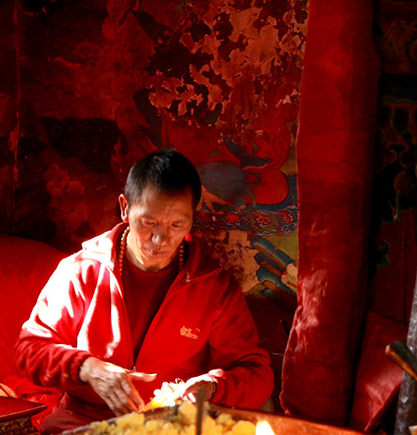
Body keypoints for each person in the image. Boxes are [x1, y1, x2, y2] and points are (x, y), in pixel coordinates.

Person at [14, 149, 273, 433]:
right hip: (84, 422)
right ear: (125, 208)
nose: (161, 239)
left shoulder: (212, 287)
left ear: (192, 217)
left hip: (169, 427)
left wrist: (212, 386)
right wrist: (88, 369)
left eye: (177, 224)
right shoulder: (82, 271)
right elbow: (30, 350)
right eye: (149, 222)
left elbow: (256, 373)